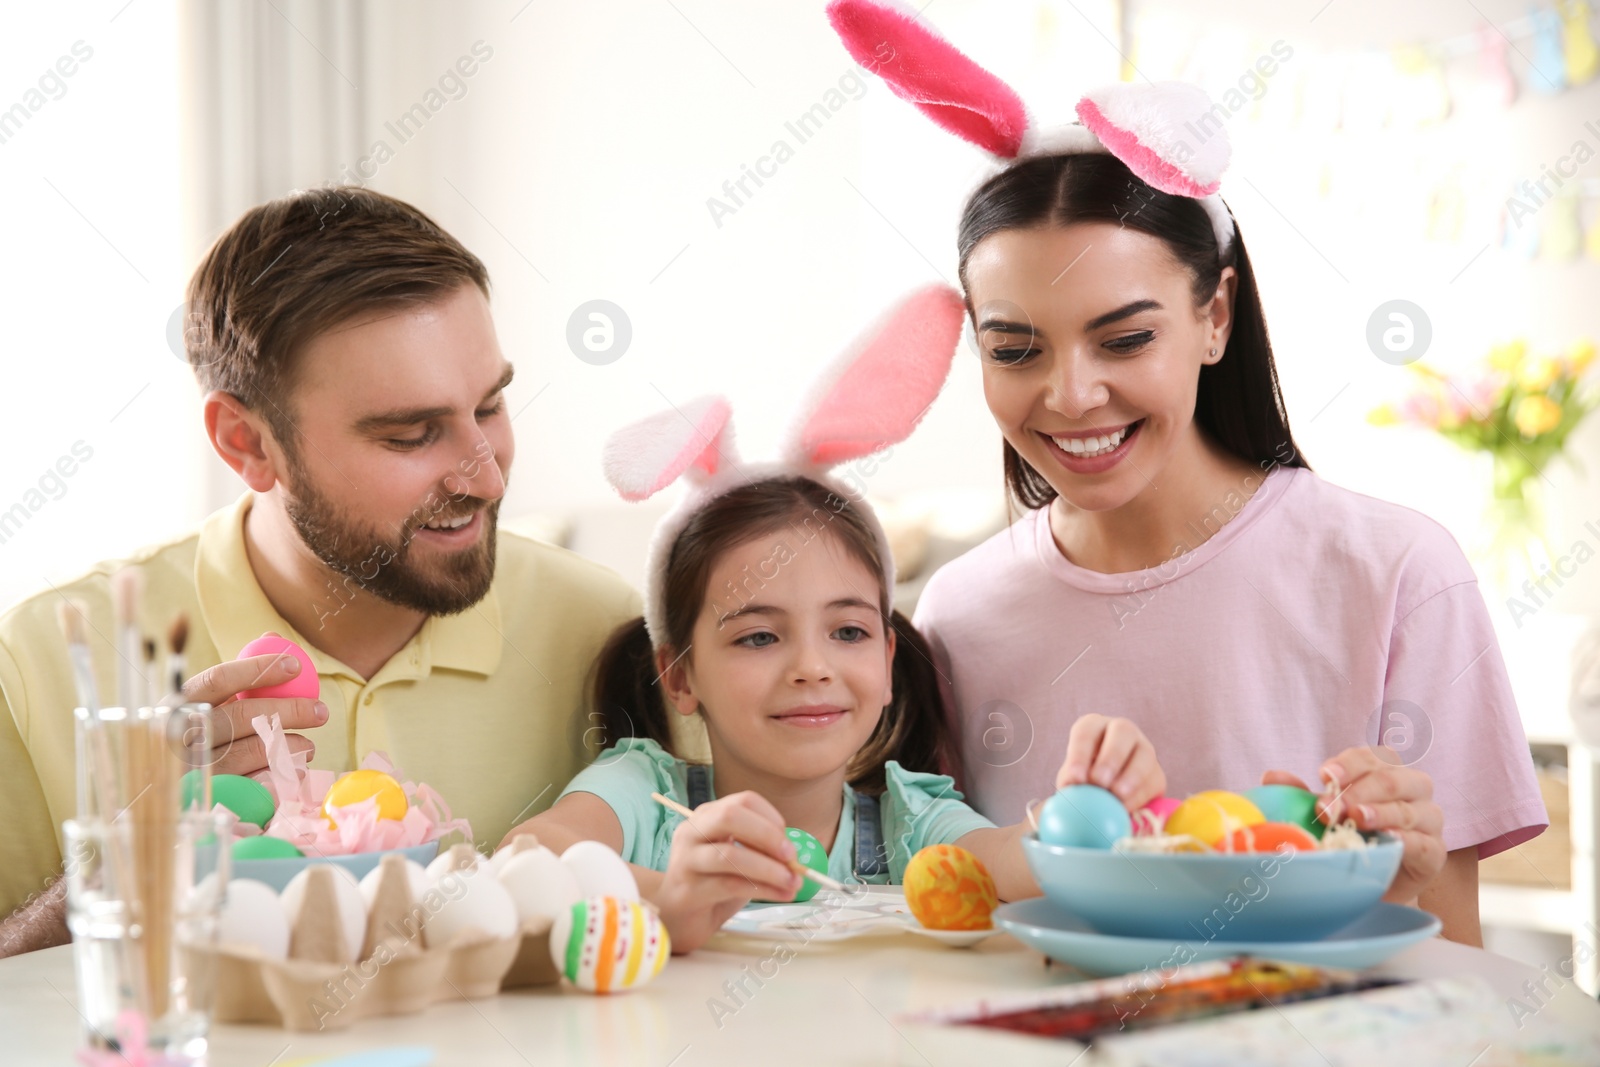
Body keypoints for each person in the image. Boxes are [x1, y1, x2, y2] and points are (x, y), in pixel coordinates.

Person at [827, 0, 1546, 946]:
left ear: (1216, 314)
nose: (1072, 394)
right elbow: (948, 920)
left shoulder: (1400, 572)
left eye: (1125, 337)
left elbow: (1455, 959)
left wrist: (1402, 877)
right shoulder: (959, 612)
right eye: (1015, 349)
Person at [0, 187, 639, 955]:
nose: (488, 478)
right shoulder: (43, 660)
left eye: (491, 405)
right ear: (248, 444)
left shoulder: (605, 629)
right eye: (411, 434)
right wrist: (120, 867)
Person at [500, 292, 1167, 952]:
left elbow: (1008, 861)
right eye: (758, 636)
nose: (811, 667)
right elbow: (528, 854)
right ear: (679, 677)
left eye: (847, 632)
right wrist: (668, 903)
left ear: (884, 661)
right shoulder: (643, 794)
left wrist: (1088, 809)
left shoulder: (912, 822)